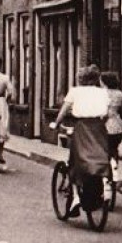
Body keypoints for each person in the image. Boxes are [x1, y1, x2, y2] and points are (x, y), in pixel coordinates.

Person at [50, 64, 111, 215]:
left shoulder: (75, 91)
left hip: (82, 127)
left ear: (80, 78)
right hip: (99, 127)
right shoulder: (103, 92)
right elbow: (108, 114)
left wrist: (56, 124)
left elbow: (64, 111)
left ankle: (76, 198)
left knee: (76, 161)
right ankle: (105, 184)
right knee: (100, 156)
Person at [101, 71, 122, 179]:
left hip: (104, 126)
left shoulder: (101, 93)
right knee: (114, 149)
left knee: (102, 151)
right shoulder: (120, 94)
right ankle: (114, 171)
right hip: (117, 127)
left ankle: (104, 174)